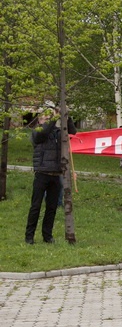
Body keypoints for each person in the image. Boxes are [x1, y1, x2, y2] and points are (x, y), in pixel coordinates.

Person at [26, 104, 77, 244]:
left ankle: (47, 236)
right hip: (42, 173)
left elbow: (72, 132)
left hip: (56, 174)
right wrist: (54, 117)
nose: (46, 119)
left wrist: (66, 115)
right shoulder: (36, 132)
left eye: (48, 117)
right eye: (43, 118)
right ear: (39, 120)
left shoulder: (58, 132)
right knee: (36, 206)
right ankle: (29, 236)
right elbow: (43, 132)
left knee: (52, 207)